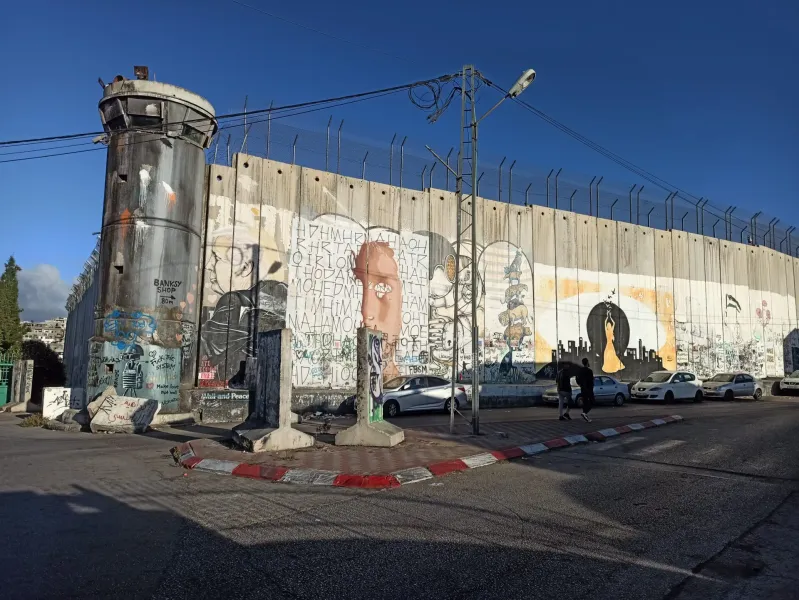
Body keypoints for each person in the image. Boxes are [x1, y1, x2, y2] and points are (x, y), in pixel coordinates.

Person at [576, 358, 595, 422]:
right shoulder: (589, 371)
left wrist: (580, 384)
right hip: (589, 389)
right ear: (587, 363)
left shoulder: (580, 371)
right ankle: (585, 413)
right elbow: (591, 380)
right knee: (592, 401)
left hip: (583, 389)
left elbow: (577, 379)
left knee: (585, 402)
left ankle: (585, 415)